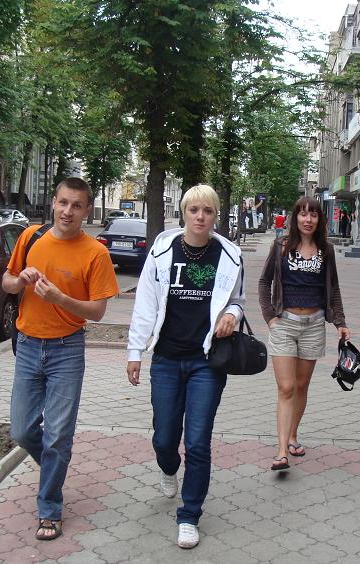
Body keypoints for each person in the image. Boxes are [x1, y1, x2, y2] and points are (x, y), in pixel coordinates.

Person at [126, 184, 245, 549]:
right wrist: (135, 351)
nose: (200, 217)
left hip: (206, 362)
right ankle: (168, 468)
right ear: (184, 213)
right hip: (165, 359)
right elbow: (145, 303)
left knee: (197, 442)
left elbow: (237, 300)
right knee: (164, 438)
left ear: (215, 215)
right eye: (194, 210)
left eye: (207, 210)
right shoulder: (163, 250)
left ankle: (189, 514)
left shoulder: (230, 255)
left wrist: (232, 315)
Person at [2, 177, 119, 541]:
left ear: (87, 211)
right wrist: (20, 280)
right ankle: (56, 467)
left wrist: (59, 299)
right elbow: (6, 282)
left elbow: (97, 312)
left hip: (67, 350)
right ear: (53, 202)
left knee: (57, 436)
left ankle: (49, 507)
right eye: (63, 203)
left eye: (77, 206)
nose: (68, 211)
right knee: (22, 431)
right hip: (27, 345)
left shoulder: (95, 253)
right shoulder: (31, 237)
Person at [259, 196, 350, 471]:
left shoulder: (326, 250)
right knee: (286, 387)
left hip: (314, 325)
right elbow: (264, 282)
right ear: (295, 217)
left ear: (320, 219)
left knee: (301, 386)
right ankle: (281, 451)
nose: (308, 219)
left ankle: (293, 434)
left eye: (313, 214)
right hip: (284, 324)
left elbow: (333, 287)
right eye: (303, 214)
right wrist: (270, 318)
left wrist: (340, 322)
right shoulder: (281, 246)